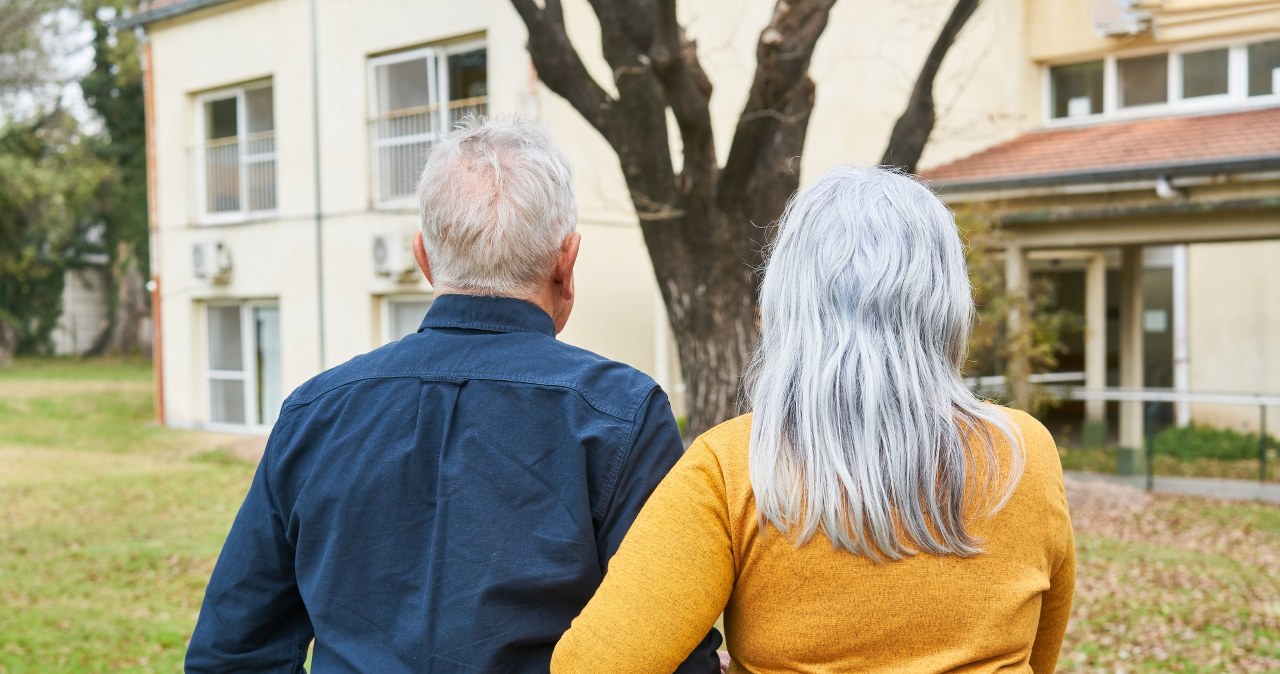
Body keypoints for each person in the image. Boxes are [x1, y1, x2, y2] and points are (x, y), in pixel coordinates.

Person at [185, 118, 722, 673]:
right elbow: (668, 652)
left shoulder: (314, 411)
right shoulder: (621, 414)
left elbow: (233, 651)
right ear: (568, 259)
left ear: (424, 257)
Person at [552, 166, 1075, 673]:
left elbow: (595, 665)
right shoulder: (1023, 453)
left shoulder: (736, 466)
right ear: (947, 303)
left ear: (786, 301)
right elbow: (1038, 654)